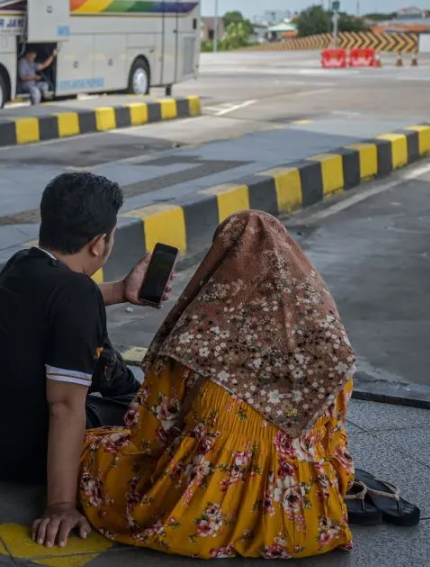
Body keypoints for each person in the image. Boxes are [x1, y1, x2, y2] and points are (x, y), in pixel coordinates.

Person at [74, 210, 358, 559]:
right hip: (306, 524)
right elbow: (335, 446)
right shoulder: (330, 346)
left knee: (88, 451)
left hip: (197, 516)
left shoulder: (198, 337)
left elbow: (148, 436)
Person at [0, 173, 156, 523]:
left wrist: (120, 291)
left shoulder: (23, 263)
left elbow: (57, 302)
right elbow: (65, 406)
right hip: (15, 454)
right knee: (146, 414)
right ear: (98, 243)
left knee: (89, 355)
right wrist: (60, 506)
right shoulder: (78, 295)